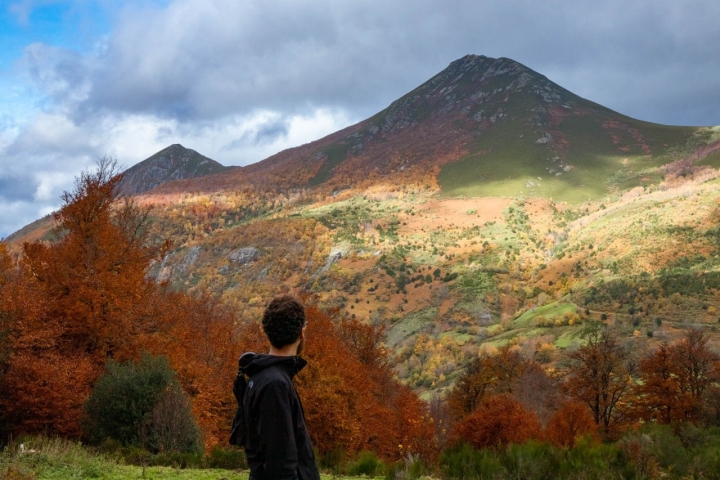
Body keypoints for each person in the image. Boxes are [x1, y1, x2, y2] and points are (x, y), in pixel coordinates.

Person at [233, 294, 320, 480]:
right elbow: (280, 466)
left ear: (267, 333)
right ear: (301, 333)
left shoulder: (260, 376)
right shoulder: (275, 385)